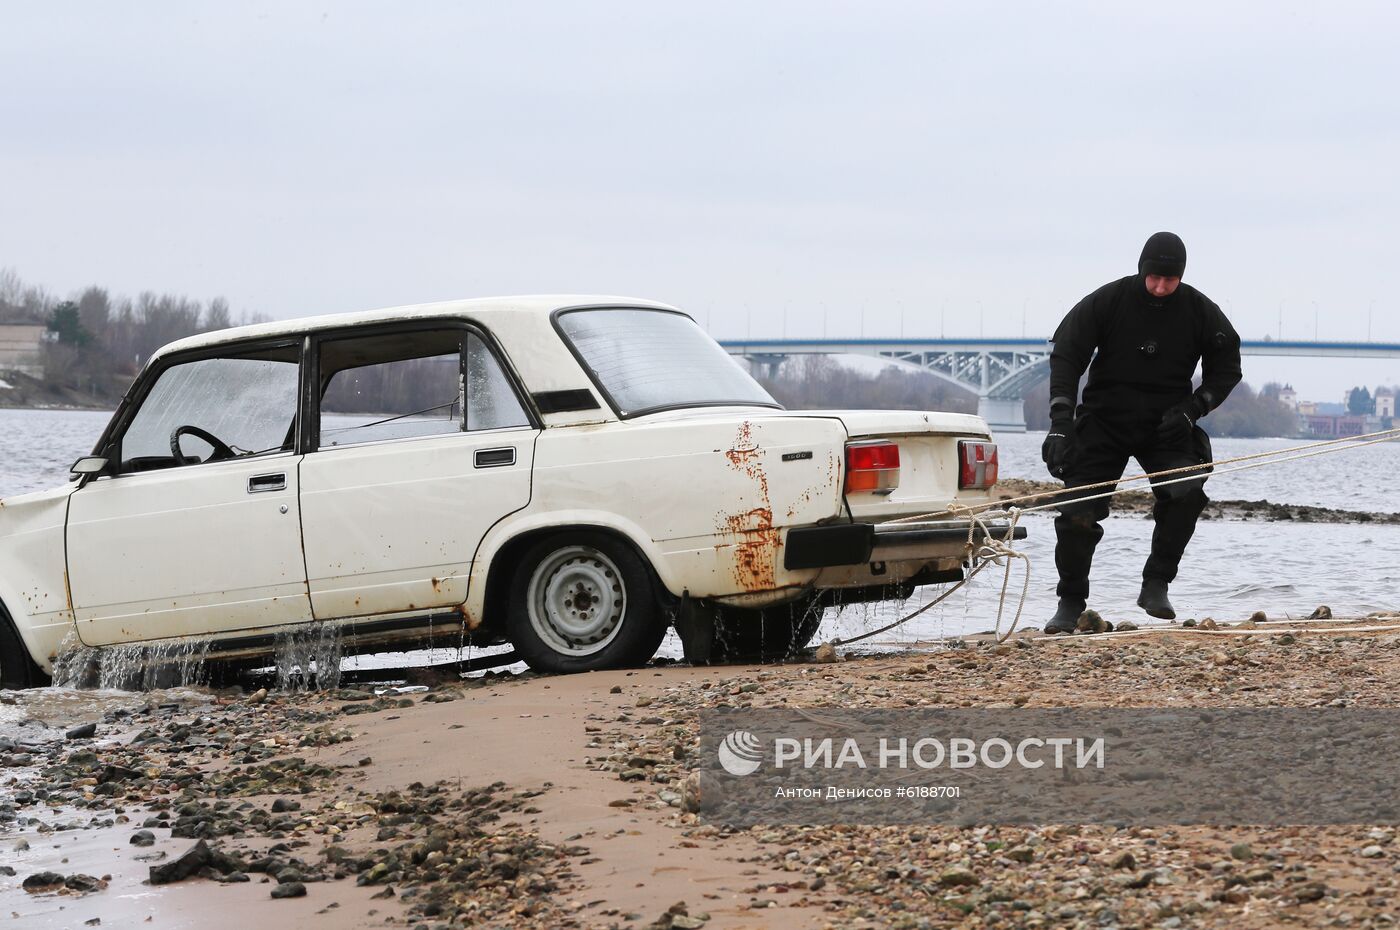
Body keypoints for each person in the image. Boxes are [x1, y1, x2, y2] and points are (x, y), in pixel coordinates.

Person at [1040, 232, 1242, 634]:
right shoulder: (1108, 300)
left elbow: (1227, 368)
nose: (1161, 286)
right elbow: (1066, 356)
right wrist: (1061, 422)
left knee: (1186, 494)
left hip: (1167, 422)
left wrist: (1194, 409)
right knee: (1078, 511)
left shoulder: (1201, 311)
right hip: (1103, 420)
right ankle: (1070, 602)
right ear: (1142, 269)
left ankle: (1156, 583)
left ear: (1181, 277)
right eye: (1154, 278)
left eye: (1170, 280)